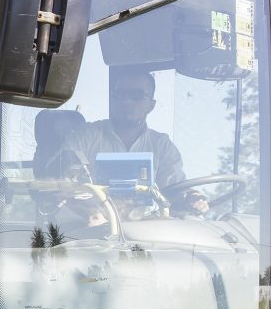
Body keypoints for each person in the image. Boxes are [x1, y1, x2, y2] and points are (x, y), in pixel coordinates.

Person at [57, 69, 207, 217]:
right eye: (120, 94)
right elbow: (63, 185)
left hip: (147, 232)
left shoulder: (162, 145)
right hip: (91, 232)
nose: (126, 101)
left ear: (151, 105)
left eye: (136, 95)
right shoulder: (85, 137)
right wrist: (88, 212)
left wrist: (192, 197)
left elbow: (175, 190)